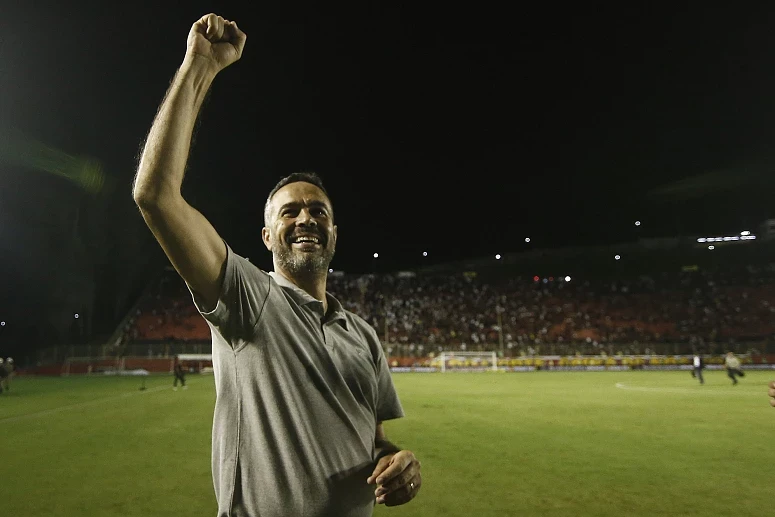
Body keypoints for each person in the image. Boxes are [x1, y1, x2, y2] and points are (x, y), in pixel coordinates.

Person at [132, 13, 421, 516]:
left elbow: (372, 440)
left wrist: (398, 463)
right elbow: (155, 195)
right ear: (267, 236)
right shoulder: (247, 298)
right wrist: (199, 67)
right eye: (289, 211)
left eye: (318, 211)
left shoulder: (364, 335)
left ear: (335, 233)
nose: (306, 217)